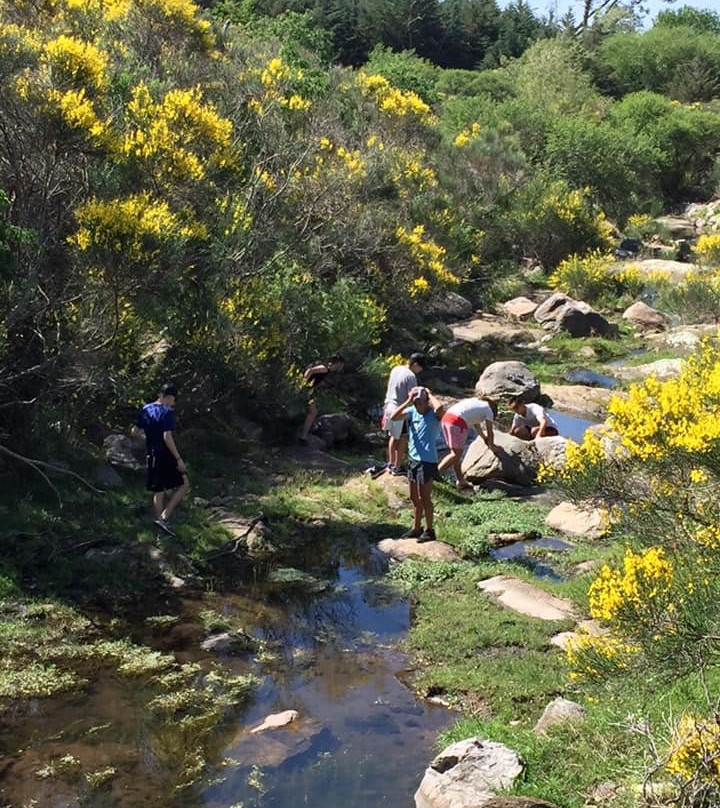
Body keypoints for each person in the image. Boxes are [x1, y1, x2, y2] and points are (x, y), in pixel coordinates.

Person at [131, 383, 190, 536]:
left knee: (158, 490)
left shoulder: (146, 409)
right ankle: (164, 517)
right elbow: (167, 437)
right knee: (184, 484)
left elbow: (134, 431)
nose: (174, 403)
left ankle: (161, 524)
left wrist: (148, 440)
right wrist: (178, 458)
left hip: (151, 454)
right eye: (173, 399)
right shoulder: (167, 412)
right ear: (169, 397)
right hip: (166, 454)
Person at [390, 386, 445, 543]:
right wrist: (408, 400)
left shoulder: (434, 415)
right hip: (413, 459)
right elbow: (394, 417)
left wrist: (429, 393)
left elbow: (440, 407)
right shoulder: (412, 412)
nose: (418, 405)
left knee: (425, 497)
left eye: (421, 402)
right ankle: (416, 527)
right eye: (416, 403)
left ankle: (429, 530)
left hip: (427, 461)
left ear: (426, 401)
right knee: (414, 497)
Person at [382, 352, 427, 475]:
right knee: (403, 438)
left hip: (388, 407)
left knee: (393, 437)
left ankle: (390, 464)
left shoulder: (396, 369)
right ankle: (397, 467)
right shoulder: (411, 376)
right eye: (421, 367)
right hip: (400, 410)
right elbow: (413, 397)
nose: (421, 370)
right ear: (416, 364)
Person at [438, 397, 497, 490]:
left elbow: (476, 425)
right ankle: (436, 473)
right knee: (456, 454)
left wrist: (484, 438)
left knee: (455, 454)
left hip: (446, 419)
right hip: (457, 422)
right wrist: (492, 446)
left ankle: (461, 481)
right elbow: (490, 431)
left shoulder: (477, 402)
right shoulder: (488, 410)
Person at [299, 354, 345, 442]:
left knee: (313, 412)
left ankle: (310, 430)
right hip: (306, 390)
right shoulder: (324, 368)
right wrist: (303, 384)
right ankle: (303, 437)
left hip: (309, 390)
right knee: (313, 412)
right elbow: (310, 370)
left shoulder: (327, 370)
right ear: (338, 363)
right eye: (342, 365)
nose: (342, 368)